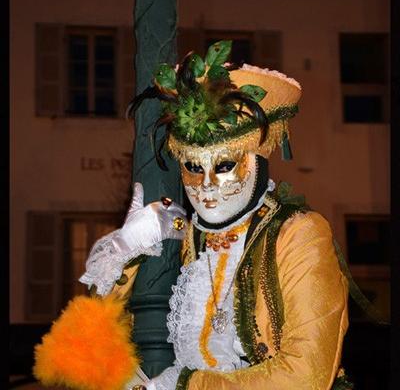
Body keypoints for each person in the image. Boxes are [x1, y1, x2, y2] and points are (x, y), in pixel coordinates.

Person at [69, 41, 353, 389]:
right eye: (191, 166)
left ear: (257, 160)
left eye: (224, 165)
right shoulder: (189, 241)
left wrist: (187, 385)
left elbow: (308, 376)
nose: (205, 184)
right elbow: (93, 340)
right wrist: (126, 246)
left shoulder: (297, 234)